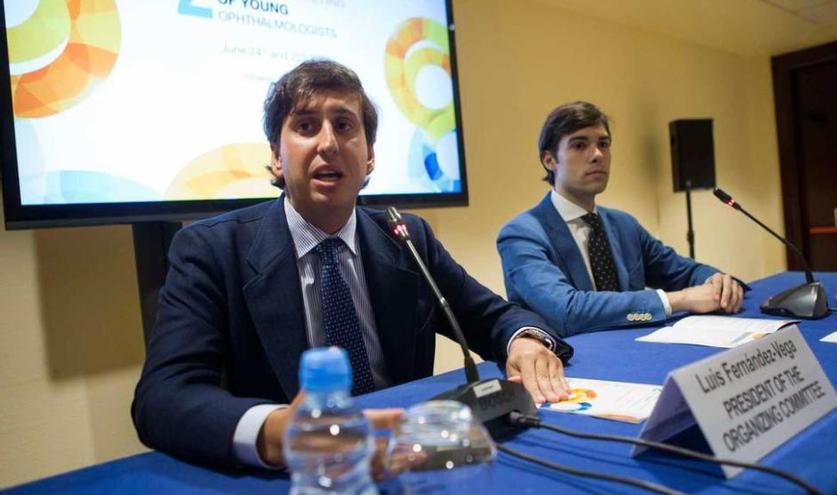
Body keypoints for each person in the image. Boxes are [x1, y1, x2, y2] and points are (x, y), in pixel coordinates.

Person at [132, 60, 572, 471]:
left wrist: (524, 342)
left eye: (344, 126)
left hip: (406, 462)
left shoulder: (407, 238)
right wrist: (277, 433)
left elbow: (493, 317)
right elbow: (163, 397)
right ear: (277, 157)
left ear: (369, 157)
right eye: (305, 127)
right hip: (300, 477)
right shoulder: (211, 249)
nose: (327, 143)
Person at [497, 101, 744, 337]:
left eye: (603, 144)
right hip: (570, 368)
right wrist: (677, 300)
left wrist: (716, 281)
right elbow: (567, 312)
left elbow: (681, 272)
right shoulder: (521, 234)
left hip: (635, 354)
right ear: (549, 160)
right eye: (580, 145)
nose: (597, 155)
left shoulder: (623, 225)